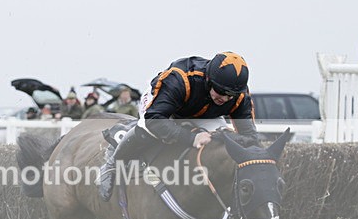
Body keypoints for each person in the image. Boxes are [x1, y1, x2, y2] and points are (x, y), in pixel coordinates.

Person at [99, 51, 259, 201]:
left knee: (224, 139)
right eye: (220, 91)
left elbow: (250, 138)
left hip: (202, 113)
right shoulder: (180, 78)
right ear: (209, 80)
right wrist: (191, 137)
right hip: (164, 108)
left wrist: (221, 136)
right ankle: (112, 164)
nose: (224, 99)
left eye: (230, 95)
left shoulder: (239, 95)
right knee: (148, 130)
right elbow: (154, 119)